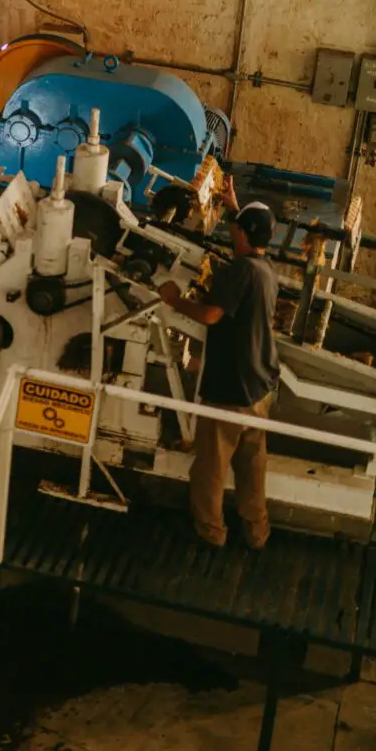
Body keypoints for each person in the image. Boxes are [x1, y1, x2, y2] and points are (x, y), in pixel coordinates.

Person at [158, 179, 279, 549]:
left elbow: (210, 315)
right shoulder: (265, 269)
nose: (231, 231)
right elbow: (245, 235)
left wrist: (174, 299)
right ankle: (257, 535)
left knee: (210, 468)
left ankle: (211, 535)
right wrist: (232, 208)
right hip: (259, 388)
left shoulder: (238, 272)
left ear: (241, 234)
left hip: (230, 391)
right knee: (252, 469)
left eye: (234, 227)